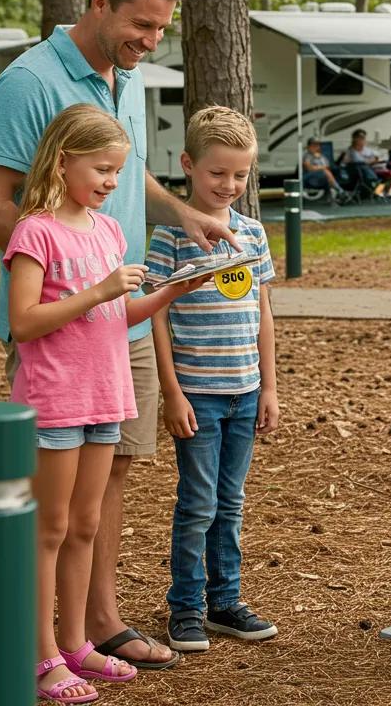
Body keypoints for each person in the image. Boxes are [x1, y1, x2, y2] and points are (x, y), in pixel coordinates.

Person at [0, 0, 237, 670]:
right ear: (98, 1)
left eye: (160, 31)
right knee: (53, 505)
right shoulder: (30, 83)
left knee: (113, 468)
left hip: (122, 313)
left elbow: (127, 166)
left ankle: (95, 624)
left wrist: (182, 213)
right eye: (141, 25)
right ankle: (41, 644)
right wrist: (70, 284)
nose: (150, 42)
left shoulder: (128, 77)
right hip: (64, 329)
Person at [6, 105, 206, 702]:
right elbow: (23, 322)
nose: (112, 183)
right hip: (55, 401)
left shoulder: (109, 231)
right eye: (102, 169)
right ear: (63, 159)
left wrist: (172, 290)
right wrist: (99, 289)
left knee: (86, 525)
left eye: (118, 172)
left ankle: (75, 645)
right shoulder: (34, 232)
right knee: (50, 528)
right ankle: (40, 654)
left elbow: (116, 317)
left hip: (105, 395)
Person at [145, 106, 279, 652]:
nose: (229, 185)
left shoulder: (252, 233)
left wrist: (269, 385)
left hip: (244, 393)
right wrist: (171, 393)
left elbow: (263, 312)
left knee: (231, 502)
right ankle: (186, 608)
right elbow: (154, 314)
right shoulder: (170, 235)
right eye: (216, 172)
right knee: (197, 503)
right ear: (188, 166)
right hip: (196, 395)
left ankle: (226, 602)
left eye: (240, 175)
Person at [342, 128, 391, 201]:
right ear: (355, 139)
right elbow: (360, 162)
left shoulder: (366, 149)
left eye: (363, 138)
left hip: (381, 160)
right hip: (375, 167)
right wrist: (373, 160)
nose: (362, 140)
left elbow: (378, 155)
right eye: (360, 138)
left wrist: (375, 159)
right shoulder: (352, 151)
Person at [301, 136, 343, 201]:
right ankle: (340, 191)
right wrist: (321, 168)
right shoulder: (306, 155)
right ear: (309, 146)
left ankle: (333, 195)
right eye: (314, 145)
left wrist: (319, 165)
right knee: (325, 172)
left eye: (317, 145)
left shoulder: (321, 156)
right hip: (309, 177)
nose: (316, 147)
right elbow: (309, 168)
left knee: (328, 172)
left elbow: (327, 166)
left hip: (321, 175)